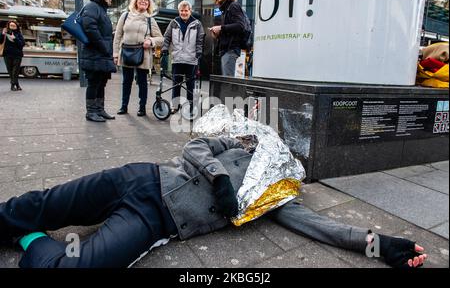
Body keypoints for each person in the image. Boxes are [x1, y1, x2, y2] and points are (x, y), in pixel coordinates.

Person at [0, 136, 427, 268]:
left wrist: (380, 245)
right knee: (45, 202)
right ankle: (10, 221)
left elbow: (324, 227)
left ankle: (30, 240)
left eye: (296, 166)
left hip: (153, 218)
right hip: (137, 177)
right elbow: (197, 145)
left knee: (75, 265)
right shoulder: (245, 142)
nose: (291, 163)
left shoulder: (276, 197)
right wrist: (221, 177)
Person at [113, 0, 164, 117]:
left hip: (143, 54)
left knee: (142, 82)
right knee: (126, 81)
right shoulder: (125, 16)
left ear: (148, 4)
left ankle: (142, 108)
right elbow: (118, 36)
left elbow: (161, 39)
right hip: (126, 52)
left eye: (146, 0)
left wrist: (150, 41)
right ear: (135, 2)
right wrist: (115, 53)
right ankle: (124, 106)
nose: (143, 2)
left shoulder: (150, 20)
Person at [80, 0, 117, 122]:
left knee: (101, 82)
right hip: (95, 53)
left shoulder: (100, 8)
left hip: (101, 54)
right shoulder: (92, 7)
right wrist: (103, 46)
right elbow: (90, 27)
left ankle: (100, 109)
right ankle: (91, 112)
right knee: (94, 83)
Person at [161, 0, 205, 114]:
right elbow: (167, 37)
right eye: (182, 11)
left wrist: (199, 51)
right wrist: (165, 48)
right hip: (177, 59)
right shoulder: (174, 23)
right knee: (176, 84)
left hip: (191, 60)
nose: (184, 13)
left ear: (190, 11)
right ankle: (175, 106)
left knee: (190, 86)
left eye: (186, 10)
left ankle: (191, 107)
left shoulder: (197, 24)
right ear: (179, 11)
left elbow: (200, 40)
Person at [209, 0, 247, 77]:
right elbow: (229, 30)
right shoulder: (225, 9)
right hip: (226, 51)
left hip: (230, 51)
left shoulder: (233, 6)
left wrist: (221, 28)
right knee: (226, 83)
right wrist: (217, 34)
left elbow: (240, 25)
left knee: (228, 84)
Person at [0, 21, 25, 91]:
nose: (12, 27)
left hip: (17, 55)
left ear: (16, 26)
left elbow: (22, 44)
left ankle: (12, 85)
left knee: (15, 70)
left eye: (14, 26)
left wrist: (15, 38)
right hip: (7, 54)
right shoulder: (5, 33)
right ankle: (17, 84)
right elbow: (0, 41)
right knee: (10, 70)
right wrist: (2, 34)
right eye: (11, 25)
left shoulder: (19, 34)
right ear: (8, 26)